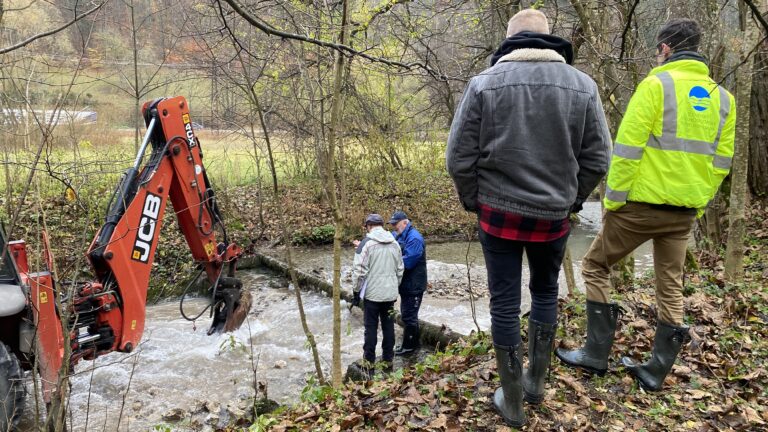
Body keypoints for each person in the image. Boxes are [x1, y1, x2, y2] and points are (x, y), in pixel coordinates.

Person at [446, 9, 611, 427]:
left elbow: (458, 158)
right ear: (548, 40)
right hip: (553, 217)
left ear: (509, 41)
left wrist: (474, 201)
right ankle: (535, 384)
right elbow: (598, 158)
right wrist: (572, 201)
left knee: (504, 301)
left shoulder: (483, 85)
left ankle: (514, 402)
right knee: (544, 291)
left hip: (498, 215)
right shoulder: (583, 86)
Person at [556, 18, 736, 392]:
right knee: (670, 284)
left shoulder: (656, 85)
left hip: (640, 206)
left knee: (594, 265)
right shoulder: (723, 97)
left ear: (666, 49)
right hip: (684, 212)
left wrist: (614, 201)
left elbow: (626, 151)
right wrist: (698, 205)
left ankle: (595, 353)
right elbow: (722, 162)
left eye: (658, 50)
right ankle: (655, 371)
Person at [351, 214, 404, 375]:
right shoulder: (394, 242)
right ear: (381, 225)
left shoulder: (366, 244)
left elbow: (359, 271)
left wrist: (356, 291)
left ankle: (369, 361)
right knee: (388, 326)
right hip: (390, 293)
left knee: (371, 328)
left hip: (372, 294)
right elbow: (400, 269)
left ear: (368, 226)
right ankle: (388, 359)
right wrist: (394, 286)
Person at [388, 211, 427, 356]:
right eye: (392, 225)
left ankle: (409, 347)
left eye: (395, 224)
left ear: (405, 222)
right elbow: (388, 242)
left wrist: (389, 263)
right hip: (406, 284)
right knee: (407, 314)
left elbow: (409, 262)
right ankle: (413, 344)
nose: (393, 227)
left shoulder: (414, 238)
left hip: (414, 284)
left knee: (409, 316)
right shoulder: (399, 235)